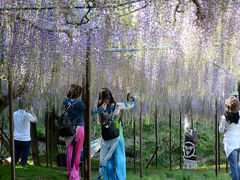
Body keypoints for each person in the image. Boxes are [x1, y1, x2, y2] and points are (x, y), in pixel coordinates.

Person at [92, 88, 136, 180]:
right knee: (120, 160)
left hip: (106, 137)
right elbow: (130, 105)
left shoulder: (101, 107)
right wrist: (133, 99)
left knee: (107, 161)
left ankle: (108, 178)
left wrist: (100, 109)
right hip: (117, 136)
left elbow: (91, 113)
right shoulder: (118, 105)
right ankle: (121, 178)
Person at [63, 84, 85, 180]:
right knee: (77, 153)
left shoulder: (65, 102)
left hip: (68, 129)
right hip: (78, 128)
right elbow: (90, 113)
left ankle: (70, 173)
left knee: (69, 151)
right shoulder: (80, 103)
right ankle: (75, 175)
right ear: (79, 93)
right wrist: (101, 109)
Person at [219, 96, 240, 180]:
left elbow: (221, 130)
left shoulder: (224, 117)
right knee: (237, 167)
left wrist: (221, 123)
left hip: (231, 145)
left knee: (234, 167)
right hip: (239, 143)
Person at [14, 99, 38, 166]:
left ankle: (14, 169)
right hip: (25, 139)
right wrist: (32, 112)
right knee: (24, 158)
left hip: (16, 138)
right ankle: (22, 168)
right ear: (25, 106)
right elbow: (36, 121)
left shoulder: (14, 113)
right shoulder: (27, 115)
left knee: (15, 156)